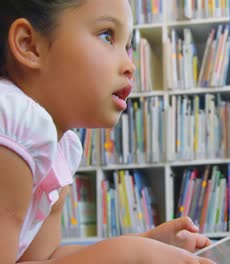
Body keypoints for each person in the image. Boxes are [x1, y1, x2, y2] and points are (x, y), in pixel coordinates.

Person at [0, 0, 215, 263]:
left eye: (128, 47)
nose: (130, 66)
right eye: (107, 36)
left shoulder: (59, 147)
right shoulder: (10, 129)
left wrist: (145, 243)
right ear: (29, 45)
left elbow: (43, 258)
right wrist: (133, 254)